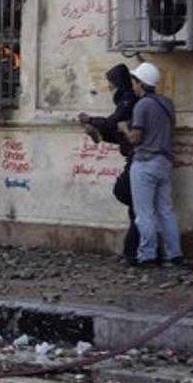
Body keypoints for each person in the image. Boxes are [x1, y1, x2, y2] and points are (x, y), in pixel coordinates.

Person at [120, 63, 183, 266]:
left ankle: (148, 255)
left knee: (144, 213)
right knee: (166, 210)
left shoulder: (143, 105)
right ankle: (175, 254)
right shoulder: (168, 103)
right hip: (164, 163)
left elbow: (136, 138)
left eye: (135, 82)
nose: (133, 86)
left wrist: (124, 129)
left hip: (145, 164)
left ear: (141, 83)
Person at [78, 64, 139, 264]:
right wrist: (99, 133)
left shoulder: (128, 99)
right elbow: (117, 133)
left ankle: (137, 252)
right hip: (132, 156)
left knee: (125, 195)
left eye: (111, 83)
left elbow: (114, 122)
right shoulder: (125, 99)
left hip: (137, 158)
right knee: (136, 209)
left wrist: (92, 120)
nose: (110, 87)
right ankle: (132, 253)